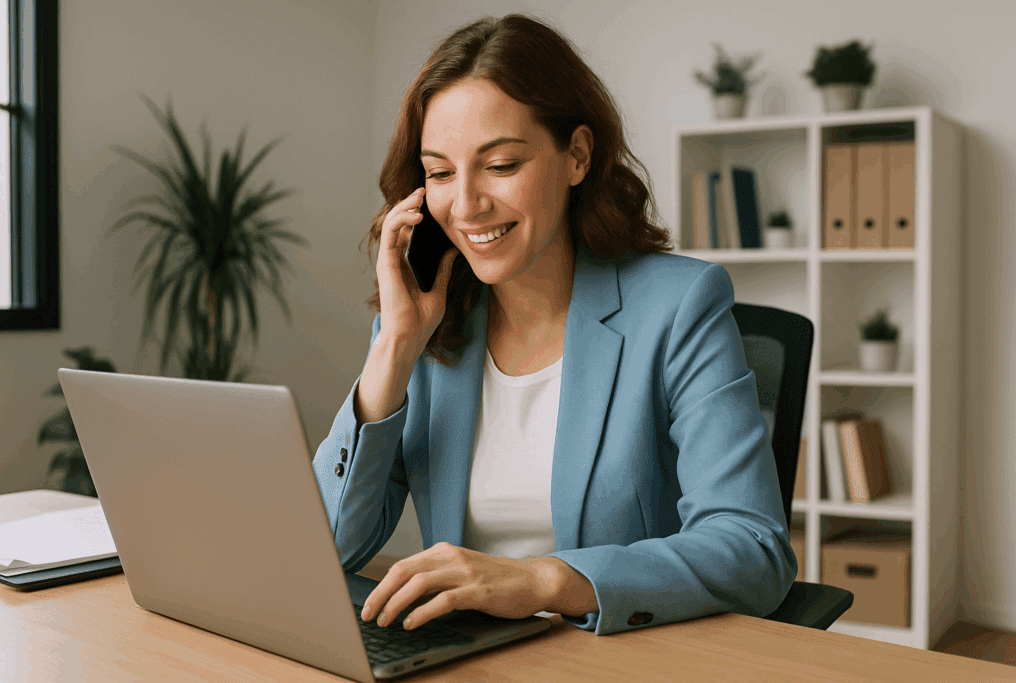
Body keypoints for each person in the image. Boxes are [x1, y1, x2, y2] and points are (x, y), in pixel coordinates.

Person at [312, 13, 797, 637]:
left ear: (577, 156)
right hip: (474, 660)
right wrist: (396, 349)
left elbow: (753, 548)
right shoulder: (427, 326)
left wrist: (546, 580)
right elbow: (326, 550)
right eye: (439, 173)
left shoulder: (678, 306)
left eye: (502, 164)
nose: (465, 205)